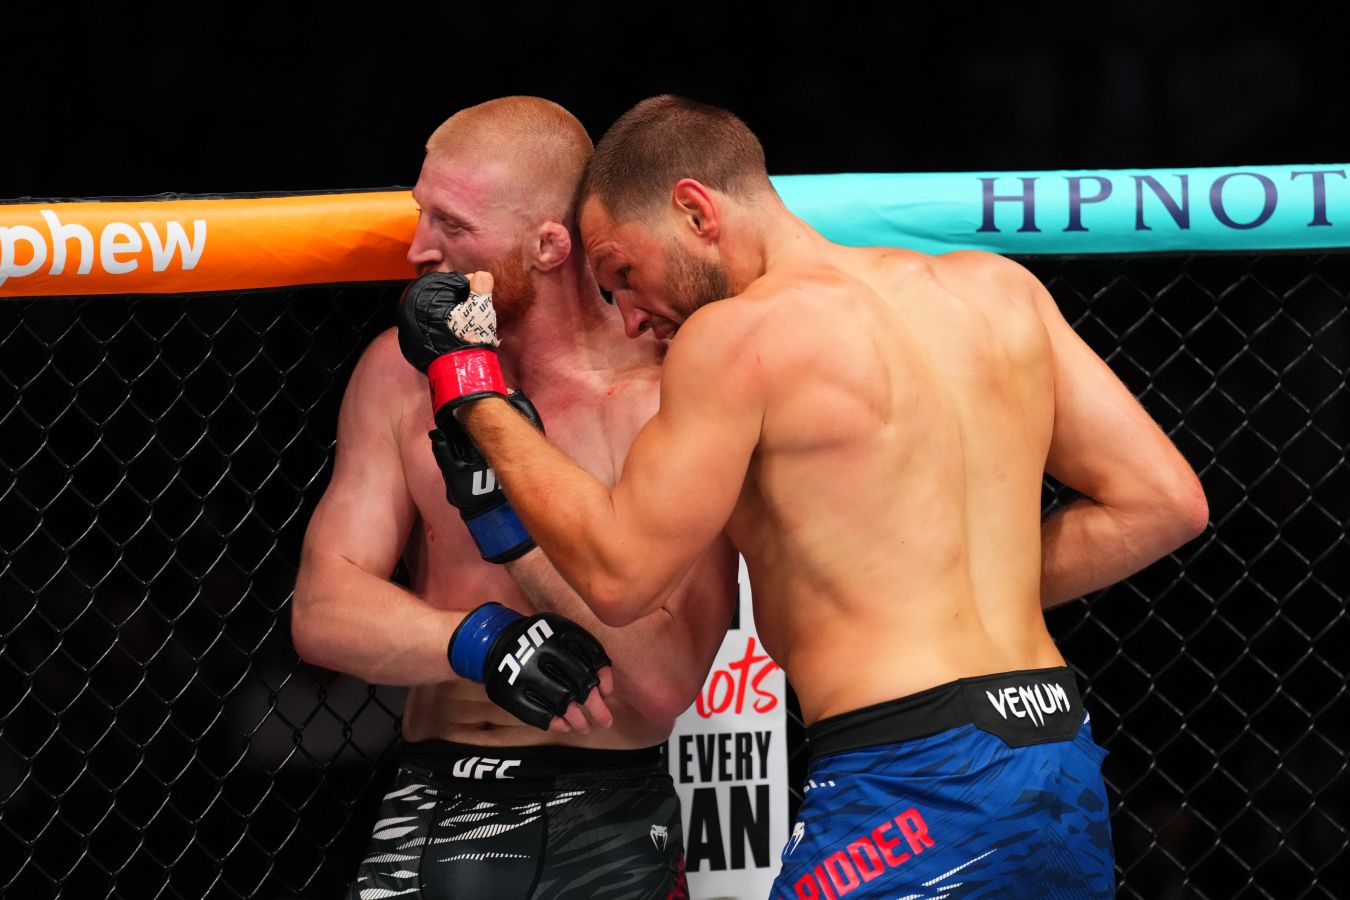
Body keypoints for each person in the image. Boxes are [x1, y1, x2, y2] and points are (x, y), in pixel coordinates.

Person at [428, 95, 1209, 897]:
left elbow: (619, 576)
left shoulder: (737, 337)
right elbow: (1162, 502)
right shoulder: (998, 289)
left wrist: (471, 388)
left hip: (914, 773)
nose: (629, 318)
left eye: (623, 274)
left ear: (694, 210)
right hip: (1057, 747)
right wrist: (951, 587)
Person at [291, 96, 738, 899]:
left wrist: (509, 526)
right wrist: (482, 641)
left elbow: (667, 681)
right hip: (432, 794)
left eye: (452, 226)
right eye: (421, 214)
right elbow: (323, 609)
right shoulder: (399, 376)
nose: (418, 249)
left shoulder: (660, 397)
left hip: (604, 810)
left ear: (548, 245)